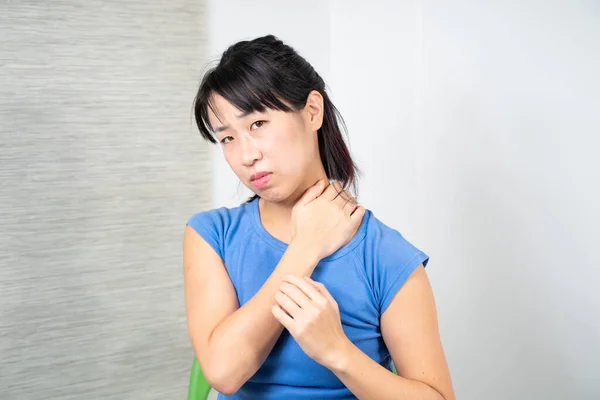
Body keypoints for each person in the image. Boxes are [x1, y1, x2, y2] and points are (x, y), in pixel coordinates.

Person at [183, 34, 454, 400]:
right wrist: (306, 247)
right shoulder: (211, 235)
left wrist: (337, 352)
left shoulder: (387, 255)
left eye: (258, 124)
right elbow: (223, 373)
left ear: (312, 111)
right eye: (227, 138)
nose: (246, 155)